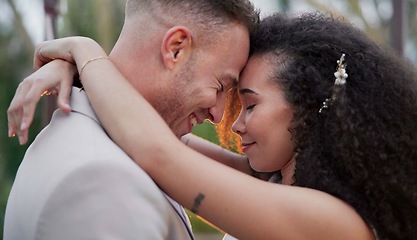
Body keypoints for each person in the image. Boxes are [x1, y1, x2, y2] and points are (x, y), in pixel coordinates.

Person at [8, 12, 417, 240]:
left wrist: (82, 50)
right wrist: (80, 74)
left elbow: (158, 152)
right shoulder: (278, 183)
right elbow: (157, 130)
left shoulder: (334, 221)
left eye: (249, 105)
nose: (234, 124)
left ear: (306, 108)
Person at [4, 0, 259, 239]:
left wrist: (84, 57)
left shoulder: (101, 142)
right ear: (176, 49)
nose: (218, 115)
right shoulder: (102, 181)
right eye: (219, 86)